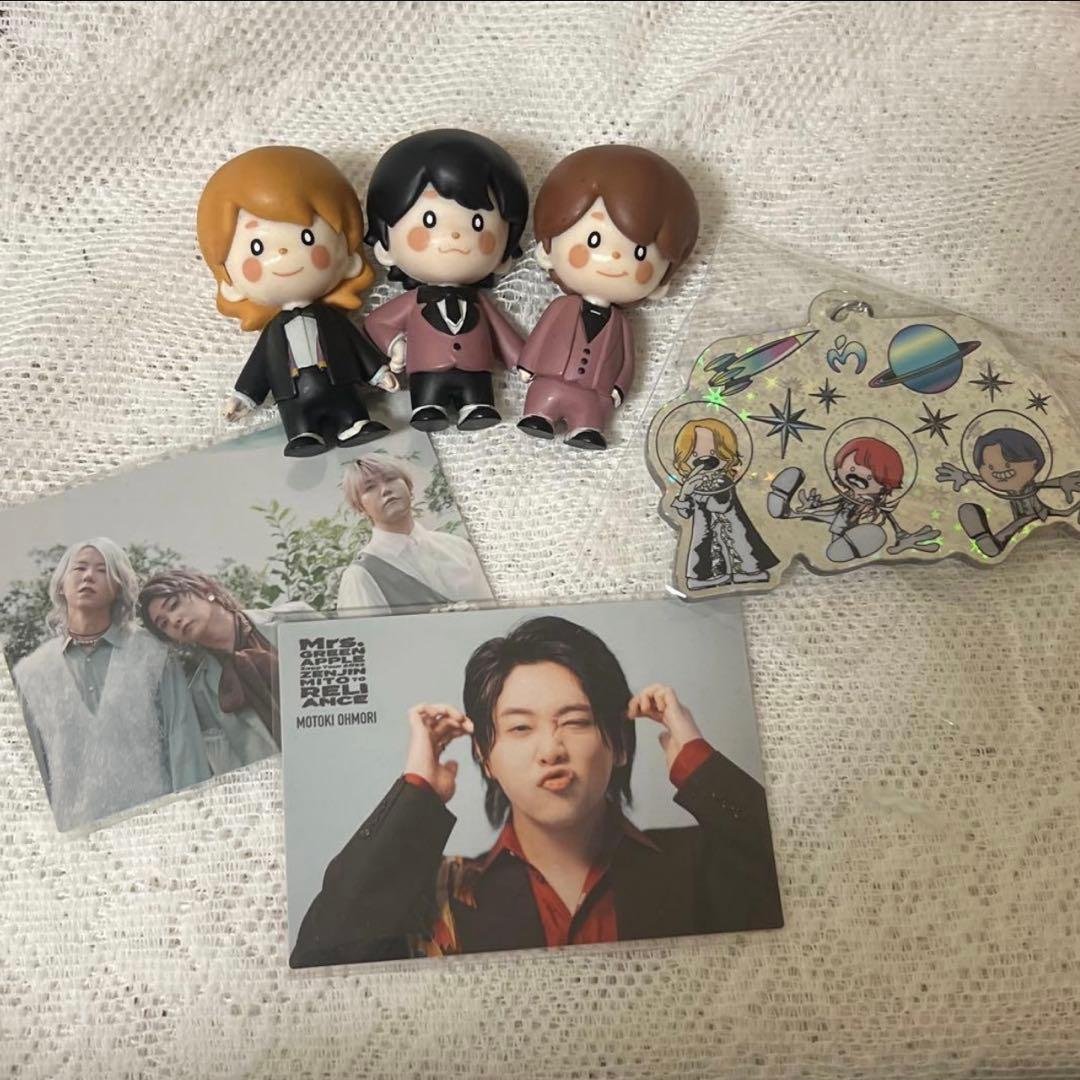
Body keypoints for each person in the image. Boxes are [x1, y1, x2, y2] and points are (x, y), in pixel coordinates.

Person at [290, 616, 782, 967]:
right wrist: (418, 791)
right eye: (520, 728)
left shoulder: (701, 862)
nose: (551, 750)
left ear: (619, 743)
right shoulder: (440, 896)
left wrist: (695, 760)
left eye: (576, 721)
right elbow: (323, 955)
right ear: (486, 756)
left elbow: (808, 879)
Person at [197, 145, 398, 457]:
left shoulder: (332, 320)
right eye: (257, 247)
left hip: (340, 384)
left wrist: (379, 373)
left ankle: (355, 422)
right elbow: (257, 366)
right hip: (293, 397)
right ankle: (304, 434)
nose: (282, 254)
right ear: (230, 284)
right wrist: (243, 397)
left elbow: (358, 346)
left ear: (348, 257)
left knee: (351, 409)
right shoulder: (273, 332)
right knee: (300, 423)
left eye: (307, 238)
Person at [13, 539, 210, 831]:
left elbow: (185, 749)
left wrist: (194, 826)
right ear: (61, 585)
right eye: (79, 568)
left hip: (154, 831)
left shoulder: (154, 655)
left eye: (102, 569)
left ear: (118, 587)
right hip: (73, 837)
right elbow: (27, 779)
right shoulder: (31, 672)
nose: (88, 576)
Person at [517, 145, 699, 450]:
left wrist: (619, 387)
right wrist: (527, 364)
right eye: (594, 239)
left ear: (662, 280)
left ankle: (586, 428)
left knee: (590, 413)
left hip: (593, 391)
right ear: (547, 248)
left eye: (639, 253)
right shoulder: (562, 307)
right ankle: (539, 416)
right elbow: (541, 335)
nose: (614, 258)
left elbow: (628, 359)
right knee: (543, 399)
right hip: (550, 380)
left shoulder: (622, 324)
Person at [362, 129, 528, 432]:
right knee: (428, 400)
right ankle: (428, 407)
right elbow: (377, 322)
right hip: (426, 370)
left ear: (505, 254)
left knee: (478, 397)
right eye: (430, 220)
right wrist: (397, 345)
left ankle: (477, 406)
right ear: (385, 247)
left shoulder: (481, 303)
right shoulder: (412, 302)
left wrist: (522, 361)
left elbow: (502, 333)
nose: (454, 235)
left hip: (476, 369)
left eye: (478, 223)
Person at [138, 570, 295, 774]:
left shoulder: (294, 619)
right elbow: (229, 767)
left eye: (174, 605)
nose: (174, 620)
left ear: (205, 590)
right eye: (164, 624)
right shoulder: (201, 694)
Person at [336, 456, 493, 614]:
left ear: (408, 486)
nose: (385, 490)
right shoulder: (362, 575)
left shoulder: (458, 547)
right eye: (370, 487)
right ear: (360, 508)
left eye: (390, 479)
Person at [768, 436, 940, 562]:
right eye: (851, 469)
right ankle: (784, 508)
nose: (857, 477)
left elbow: (888, 515)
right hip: (838, 514)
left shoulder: (872, 503)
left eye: (871, 477)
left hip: (851, 521)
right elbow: (836, 499)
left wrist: (900, 533)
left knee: (840, 532)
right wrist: (818, 504)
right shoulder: (849, 495)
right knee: (812, 515)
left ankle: (846, 547)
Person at [936, 426, 1080, 556]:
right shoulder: (1007, 487)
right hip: (1023, 516)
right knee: (1020, 522)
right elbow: (985, 479)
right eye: (990, 467)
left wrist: (1061, 482)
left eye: (1008, 463)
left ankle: (992, 542)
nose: (999, 471)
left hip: (1038, 511)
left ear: (1034, 462)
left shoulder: (1030, 487)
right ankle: (988, 541)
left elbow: (1040, 486)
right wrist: (966, 476)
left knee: (1054, 515)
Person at [669, 418, 778, 588]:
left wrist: (699, 493)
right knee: (703, 547)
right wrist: (684, 493)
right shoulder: (692, 483)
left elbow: (721, 505)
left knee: (741, 544)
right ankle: (701, 578)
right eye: (694, 454)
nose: (704, 459)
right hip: (703, 527)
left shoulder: (723, 479)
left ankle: (745, 571)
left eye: (713, 452)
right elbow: (684, 513)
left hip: (731, 523)